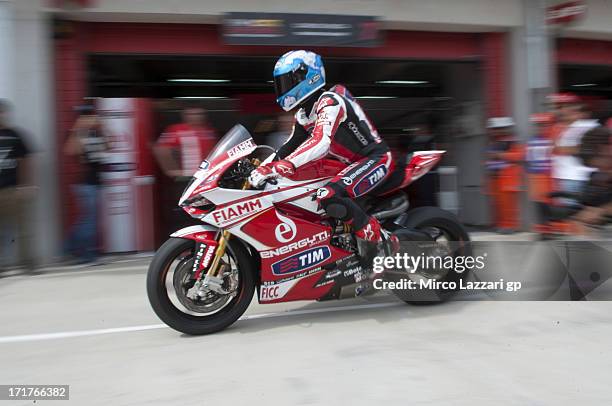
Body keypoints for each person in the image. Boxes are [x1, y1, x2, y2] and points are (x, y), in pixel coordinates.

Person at [248, 50, 396, 262]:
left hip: (375, 159)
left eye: (288, 81)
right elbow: (286, 148)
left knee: (328, 195)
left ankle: (380, 240)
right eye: (281, 83)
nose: (284, 88)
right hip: (350, 165)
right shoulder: (303, 115)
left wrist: (283, 166)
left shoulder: (330, 101)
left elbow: (320, 141)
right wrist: (259, 169)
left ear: (308, 76)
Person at [63, 104, 108, 264]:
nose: (89, 119)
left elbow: (109, 146)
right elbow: (70, 151)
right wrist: (79, 129)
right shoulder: (74, 133)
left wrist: (102, 127)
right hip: (84, 182)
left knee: (88, 219)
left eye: (90, 115)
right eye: (85, 116)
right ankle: (86, 254)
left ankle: (68, 248)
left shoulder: (96, 132)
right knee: (89, 220)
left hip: (95, 181)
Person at [0, 99, 36, 273]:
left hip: (12, 190)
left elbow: (25, 161)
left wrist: (26, 185)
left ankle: (28, 264)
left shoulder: (15, 135)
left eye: (1, 112)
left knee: (23, 229)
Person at [551, 98, 598, 207]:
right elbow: (554, 149)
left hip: (581, 177)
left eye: (572, 111)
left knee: (578, 211)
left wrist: (562, 148)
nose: (565, 113)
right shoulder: (562, 128)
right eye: (563, 109)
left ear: (584, 113)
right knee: (567, 210)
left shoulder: (589, 126)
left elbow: (585, 149)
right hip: (565, 176)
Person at [485, 117, 524, 234]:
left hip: (507, 178)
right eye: (493, 129)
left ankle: (511, 226)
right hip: (495, 178)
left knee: (509, 205)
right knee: (498, 205)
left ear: (505, 129)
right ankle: (501, 225)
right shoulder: (493, 142)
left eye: (497, 129)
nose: (494, 131)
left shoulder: (512, 141)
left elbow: (519, 156)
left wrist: (500, 155)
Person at [154, 106, 217, 178]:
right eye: (192, 114)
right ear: (185, 116)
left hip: (205, 174)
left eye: (199, 114)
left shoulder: (208, 131)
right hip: (186, 176)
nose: (197, 117)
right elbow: (161, 150)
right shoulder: (176, 130)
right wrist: (172, 171)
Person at [571, 126, 612, 234]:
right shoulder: (599, 175)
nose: (600, 169)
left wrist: (602, 211)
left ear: (603, 150)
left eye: (599, 164)